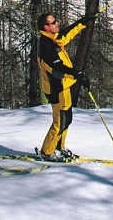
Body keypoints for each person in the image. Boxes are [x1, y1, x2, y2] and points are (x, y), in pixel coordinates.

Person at [36, 12, 96, 161]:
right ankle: (47, 152)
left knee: (66, 119)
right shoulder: (46, 45)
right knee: (60, 121)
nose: (57, 23)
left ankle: (58, 148)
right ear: (46, 27)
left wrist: (84, 21)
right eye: (53, 22)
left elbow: (67, 33)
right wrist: (78, 75)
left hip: (64, 86)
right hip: (56, 88)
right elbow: (59, 69)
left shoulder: (53, 38)